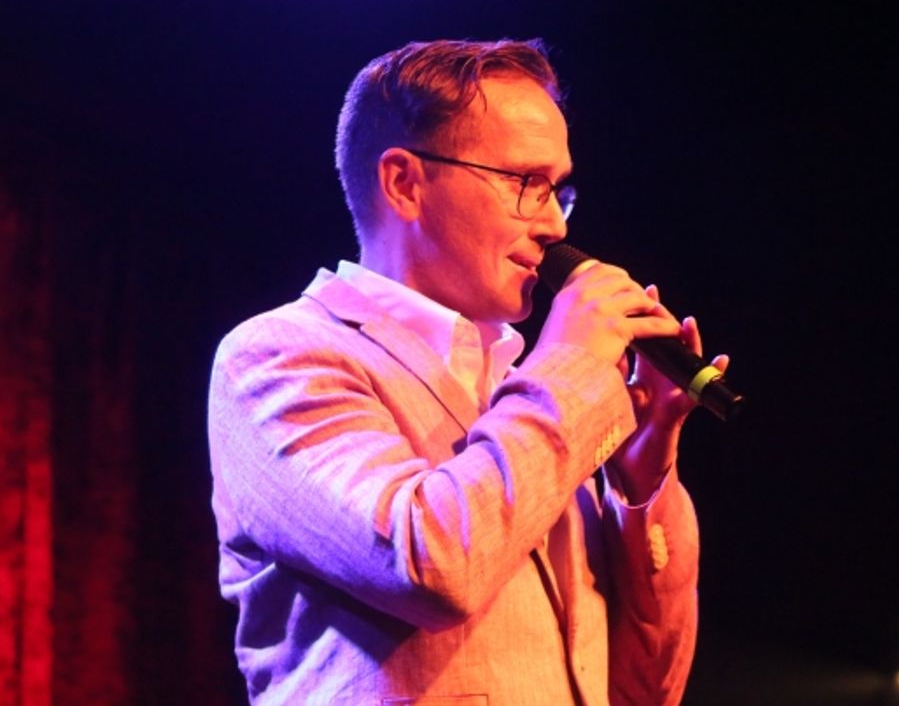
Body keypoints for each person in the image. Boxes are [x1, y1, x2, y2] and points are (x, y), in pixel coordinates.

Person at [208, 39, 726, 705]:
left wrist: (643, 470)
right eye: (524, 184)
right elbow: (427, 564)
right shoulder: (280, 355)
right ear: (404, 182)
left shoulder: (530, 399)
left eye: (559, 191)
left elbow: (645, 688)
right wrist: (568, 365)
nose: (551, 226)